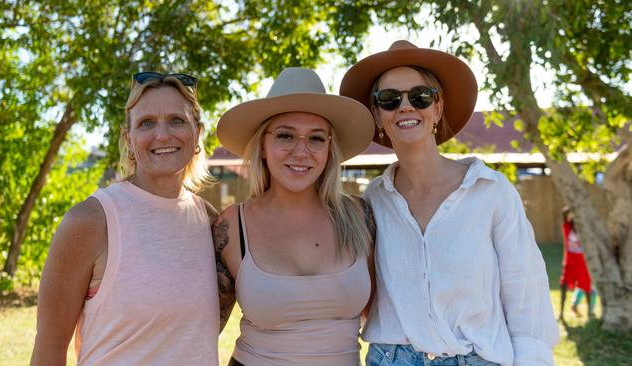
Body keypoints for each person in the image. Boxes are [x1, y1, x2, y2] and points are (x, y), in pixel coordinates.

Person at [339, 40, 559, 366]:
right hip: (390, 358)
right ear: (377, 113)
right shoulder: (373, 201)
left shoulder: (491, 191)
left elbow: (526, 295)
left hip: (476, 358)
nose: (406, 106)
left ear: (437, 109)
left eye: (420, 97)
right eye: (389, 99)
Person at [30, 72, 220, 365]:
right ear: (128, 139)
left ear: (197, 134)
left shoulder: (210, 222)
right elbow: (50, 348)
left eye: (177, 120)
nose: (163, 134)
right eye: (147, 123)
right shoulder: (92, 220)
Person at [213, 67, 376, 366]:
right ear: (262, 145)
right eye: (286, 135)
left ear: (330, 148)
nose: (301, 152)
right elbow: (202, 328)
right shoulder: (232, 226)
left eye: (315, 138)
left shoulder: (361, 215)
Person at [558, 206, 596, 320]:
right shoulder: (567, 227)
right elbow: (564, 213)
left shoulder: (584, 229)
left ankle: (589, 314)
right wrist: (573, 206)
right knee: (563, 286)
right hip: (569, 262)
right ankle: (561, 314)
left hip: (583, 263)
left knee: (587, 287)